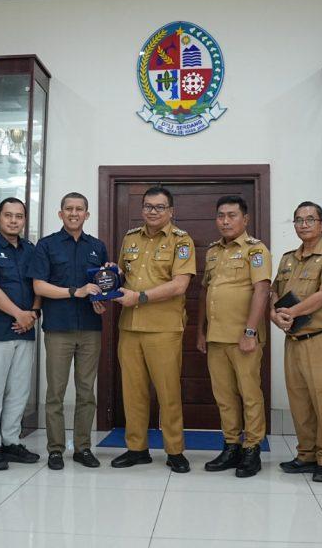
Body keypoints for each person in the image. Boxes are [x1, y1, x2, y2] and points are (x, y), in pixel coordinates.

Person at [111, 186, 195, 473]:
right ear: (142, 208)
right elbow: (123, 274)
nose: (153, 211)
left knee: (168, 392)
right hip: (130, 326)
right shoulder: (130, 238)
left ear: (171, 211)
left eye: (160, 207)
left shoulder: (181, 241)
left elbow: (180, 285)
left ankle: (175, 450)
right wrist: (109, 276)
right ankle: (137, 449)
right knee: (132, 392)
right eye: (148, 206)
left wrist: (141, 297)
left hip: (163, 328)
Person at [30, 192, 109, 470]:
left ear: (87, 214)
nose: (74, 213)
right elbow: (39, 286)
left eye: (79, 209)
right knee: (55, 392)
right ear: (60, 213)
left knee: (87, 392)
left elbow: (102, 284)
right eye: (69, 209)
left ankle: (83, 448)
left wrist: (100, 300)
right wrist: (76, 291)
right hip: (59, 328)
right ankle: (55, 449)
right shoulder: (47, 245)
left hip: (90, 328)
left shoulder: (97, 247)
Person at [196, 195, 271, 478]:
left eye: (232, 215)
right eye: (221, 216)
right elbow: (205, 291)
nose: (225, 221)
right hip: (216, 337)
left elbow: (262, 290)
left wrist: (250, 332)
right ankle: (231, 446)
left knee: (250, 394)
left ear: (245, 219)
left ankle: (252, 448)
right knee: (224, 396)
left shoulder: (256, 250)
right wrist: (200, 331)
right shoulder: (213, 251)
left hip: (244, 337)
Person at [271, 201, 322, 483]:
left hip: (320, 339)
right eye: (299, 220)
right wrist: (275, 316)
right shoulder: (288, 259)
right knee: (299, 400)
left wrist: (291, 312)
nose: (304, 225)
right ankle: (306, 454)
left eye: (310, 219)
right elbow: (273, 292)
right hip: (293, 339)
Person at [0, 197, 42, 470]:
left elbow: (38, 284)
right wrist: (19, 314)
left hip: (25, 330)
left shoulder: (30, 249)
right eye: (8, 215)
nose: (13, 220)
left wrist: (33, 313)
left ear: (24, 220)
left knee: (19, 390)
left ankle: (10, 441)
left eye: (19, 216)